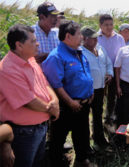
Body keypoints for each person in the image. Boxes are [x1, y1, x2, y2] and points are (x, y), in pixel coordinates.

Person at [0, 24, 59, 167]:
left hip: (39, 127)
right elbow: (28, 101)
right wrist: (50, 108)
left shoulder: (31, 60)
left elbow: (44, 83)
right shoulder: (7, 69)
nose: (37, 44)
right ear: (19, 45)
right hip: (23, 133)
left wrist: (55, 101)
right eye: (32, 41)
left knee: (37, 163)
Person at [42, 20, 94, 167]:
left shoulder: (79, 52)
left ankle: (81, 160)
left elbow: (85, 73)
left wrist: (90, 92)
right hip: (66, 107)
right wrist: (70, 102)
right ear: (68, 37)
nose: (82, 37)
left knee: (82, 135)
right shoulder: (56, 57)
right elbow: (55, 85)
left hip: (82, 105)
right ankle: (56, 162)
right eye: (79, 34)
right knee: (58, 139)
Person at [81, 26, 113, 150]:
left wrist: (109, 73)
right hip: (87, 91)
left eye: (96, 38)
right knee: (84, 118)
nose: (95, 41)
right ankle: (85, 145)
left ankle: (99, 138)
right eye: (93, 39)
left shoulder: (100, 49)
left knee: (98, 114)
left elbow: (108, 63)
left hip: (100, 89)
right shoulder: (80, 52)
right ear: (84, 39)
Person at [97, 14, 125, 131]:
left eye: (111, 24)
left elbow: (123, 55)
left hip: (115, 70)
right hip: (99, 71)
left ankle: (108, 121)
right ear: (100, 25)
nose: (109, 27)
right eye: (106, 25)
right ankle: (97, 124)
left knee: (112, 98)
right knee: (98, 99)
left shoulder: (119, 38)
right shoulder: (96, 37)